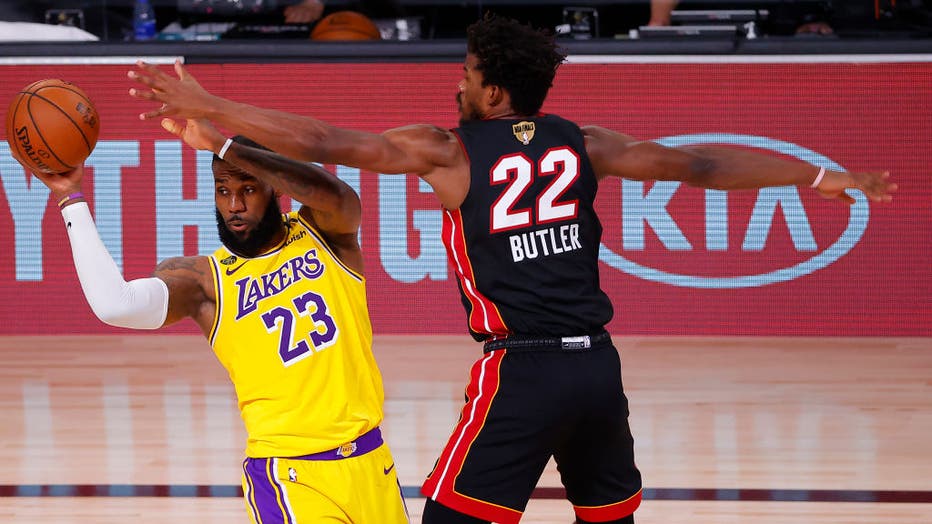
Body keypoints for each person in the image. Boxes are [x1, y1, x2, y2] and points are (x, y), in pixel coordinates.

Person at [127, 13, 896, 524]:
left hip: (520, 373)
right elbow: (697, 164)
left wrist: (215, 107)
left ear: (492, 89)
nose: (455, 84)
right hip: (598, 369)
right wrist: (820, 177)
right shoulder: (584, 140)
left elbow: (324, 140)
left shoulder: (451, 150)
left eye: (464, 74)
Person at [23, 126, 409, 523]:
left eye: (248, 189)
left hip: (371, 462)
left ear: (275, 186)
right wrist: (70, 198)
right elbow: (114, 305)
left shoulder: (324, 232)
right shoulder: (203, 280)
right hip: (290, 475)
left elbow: (339, 193)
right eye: (222, 190)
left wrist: (223, 144)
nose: (234, 204)